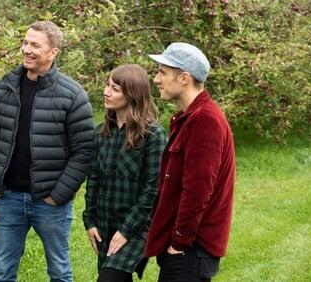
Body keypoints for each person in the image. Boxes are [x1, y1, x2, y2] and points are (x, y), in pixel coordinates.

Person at [0, 21, 94, 282]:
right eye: (25, 42)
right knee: (3, 271)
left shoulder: (72, 95)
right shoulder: (4, 88)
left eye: (35, 45)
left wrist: (59, 195)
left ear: (53, 52)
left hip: (50, 201)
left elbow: (83, 152)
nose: (26, 50)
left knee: (59, 271)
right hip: (8, 196)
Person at [144, 42, 236, 281]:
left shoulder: (205, 120)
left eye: (162, 72)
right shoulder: (189, 117)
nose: (156, 80)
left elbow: (197, 190)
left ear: (184, 78)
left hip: (191, 250)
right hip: (185, 248)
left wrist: (179, 242)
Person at [82, 64, 168, 282]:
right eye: (107, 85)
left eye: (115, 88)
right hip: (105, 224)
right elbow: (93, 180)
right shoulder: (100, 133)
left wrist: (126, 230)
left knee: (109, 279)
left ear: (132, 94)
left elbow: (153, 189)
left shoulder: (153, 135)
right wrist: (90, 221)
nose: (106, 92)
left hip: (137, 227)